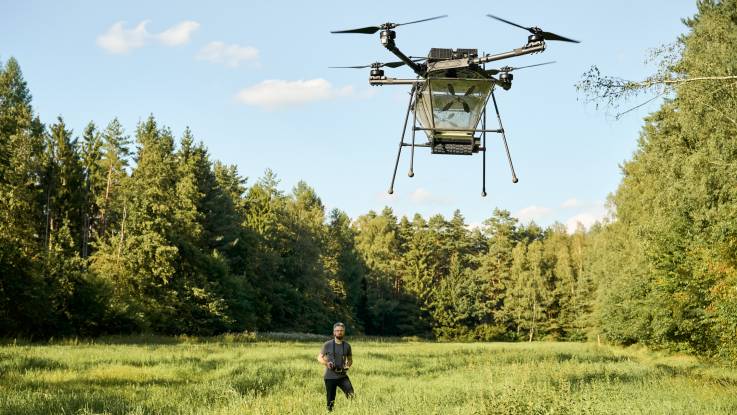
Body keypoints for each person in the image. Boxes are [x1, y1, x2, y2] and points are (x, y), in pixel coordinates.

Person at [317, 322, 354, 411]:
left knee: (351, 395)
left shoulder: (347, 346)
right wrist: (327, 363)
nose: (339, 332)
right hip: (330, 376)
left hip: (342, 375)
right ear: (334, 332)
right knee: (330, 401)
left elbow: (350, 359)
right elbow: (319, 357)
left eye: (341, 330)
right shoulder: (327, 344)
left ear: (344, 332)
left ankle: (351, 411)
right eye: (337, 331)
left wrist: (348, 365)